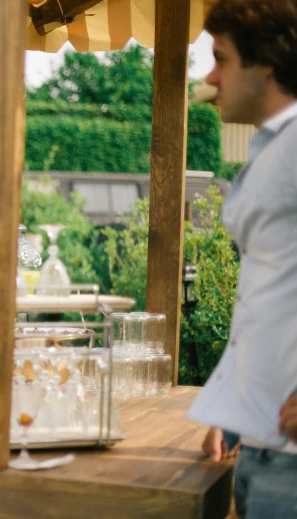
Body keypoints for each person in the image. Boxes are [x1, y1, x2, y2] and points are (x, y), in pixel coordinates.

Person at [186, 1, 297, 517]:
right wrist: (233, 411)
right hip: (261, 446)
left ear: (268, 61)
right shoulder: (274, 146)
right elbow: (271, 298)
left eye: (221, 58)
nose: (209, 77)